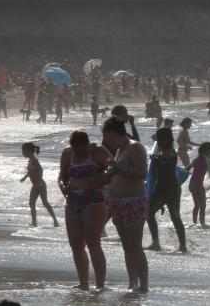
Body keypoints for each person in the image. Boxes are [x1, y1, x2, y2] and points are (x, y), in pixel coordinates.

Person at [58, 130, 112, 290]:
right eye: (76, 149)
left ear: (88, 144)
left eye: (82, 149)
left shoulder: (99, 152)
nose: (79, 152)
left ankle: (100, 284)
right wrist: (63, 187)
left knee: (93, 242)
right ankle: (83, 283)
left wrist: (95, 184)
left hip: (94, 199)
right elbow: (62, 176)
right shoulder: (67, 154)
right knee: (75, 244)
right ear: (72, 146)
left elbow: (114, 171)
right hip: (73, 199)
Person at [102, 117, 149, 292]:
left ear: (116, 132)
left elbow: (142, 172)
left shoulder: (135, 147)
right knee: (126, 247)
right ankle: (132, 283)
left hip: (133, 202)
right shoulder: (120, 150)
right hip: (117, 203)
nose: (106, 140)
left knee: (135, 246)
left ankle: (144, 285)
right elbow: (117, 172)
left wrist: (117, 167)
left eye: (107, 136)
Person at [147, 127, 187, 252]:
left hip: (171, 189)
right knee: (149, 213)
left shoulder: (171, 152)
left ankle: (182, 246)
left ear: (166, 139)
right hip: (160, 189)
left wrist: (156, 159)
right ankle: (155, 242)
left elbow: (166, 169)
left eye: (159, 139)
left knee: (175, 216)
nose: (157, 141)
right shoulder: (161, 151)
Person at [20, 142, 59, 227]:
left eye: (24, 151)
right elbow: (30, 171)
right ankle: (34, 222)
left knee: (45, 203)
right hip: (35, 185)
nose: (23, 153)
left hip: (40, 185)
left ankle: (55, 221)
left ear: (30, 151)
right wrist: (25, 177)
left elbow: (40, 169)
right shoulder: (31, 160)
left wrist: (39, 178)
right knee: (31, 203)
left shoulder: (34, 159)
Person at [186, 142, 210, 227]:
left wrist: (191, 173)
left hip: (191, 185)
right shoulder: (207, 160)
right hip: (198, 185)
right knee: (202, 205)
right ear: (205, 151)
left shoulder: (196, 159)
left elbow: (187, 169)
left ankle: (194, 222)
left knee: (197, 205)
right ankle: (202, 223)